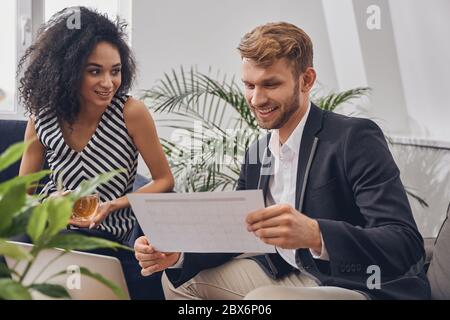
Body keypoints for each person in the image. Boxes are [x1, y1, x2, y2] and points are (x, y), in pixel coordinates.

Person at [134, 22, 430, 300]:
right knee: (180, 283)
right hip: (289, 273)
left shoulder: (354, 138)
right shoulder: (258, 152)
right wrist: (179, 254)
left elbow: (404, 243)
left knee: (262, 300)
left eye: (270, 84)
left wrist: (317, 234)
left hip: (354, 282)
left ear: (306, 80)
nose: (256, 99)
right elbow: (239, 233)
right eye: (249, 85)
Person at [18, 7, 174, 299]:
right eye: (94, 71)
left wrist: (112, 205)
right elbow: (22, 197)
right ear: (68, 71)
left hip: (113, 235)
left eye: (115, 71)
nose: (108, 83)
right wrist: (48, 203)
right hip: (53, 230)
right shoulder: (41, 117)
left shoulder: (131, 113)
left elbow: (164, 180)